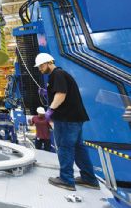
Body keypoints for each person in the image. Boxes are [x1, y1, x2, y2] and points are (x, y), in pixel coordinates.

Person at [35, 53, 99, 191]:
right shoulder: (60, 75)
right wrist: (48, 93)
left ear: (48, 63)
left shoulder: (57, 74)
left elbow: (61, 94)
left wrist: (50, 110)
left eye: (40, 65)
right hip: (74, 118)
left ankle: (66, 180)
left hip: (66, 119)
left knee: (65, 147)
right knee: (78, 148)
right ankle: (89, 179)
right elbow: (61, 92)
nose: (40, 69)